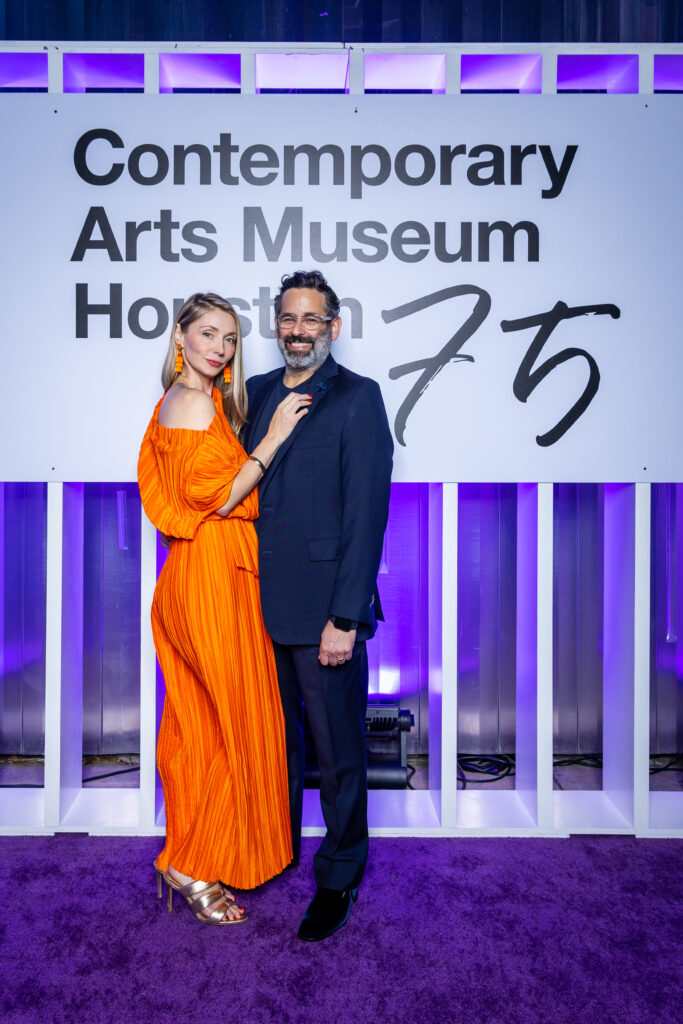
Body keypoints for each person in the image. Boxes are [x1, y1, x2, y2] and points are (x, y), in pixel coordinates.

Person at [138, 292, 311, 925]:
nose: (220, 346)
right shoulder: (185, 403)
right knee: (213, 728)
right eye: (208, 333)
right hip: (208, 573)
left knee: (215, 724)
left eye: (231, 338)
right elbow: (217, 497)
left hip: (221, 572)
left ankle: (198, 853)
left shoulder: (205, 403)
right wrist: (274, 437)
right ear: (180, 337)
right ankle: (189, 863)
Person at [245, 270, 393, 942]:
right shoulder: (253, 394)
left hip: (322, 611)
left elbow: (366, 516)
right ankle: (273, 851)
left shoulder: (359, 399)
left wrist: (346, 615)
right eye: (286, 318)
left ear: (333, 327)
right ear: (276, 326)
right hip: (252, 603)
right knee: (272, 743)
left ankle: (339, 875)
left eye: (310, 319)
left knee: (336, 753)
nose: (297, 330)